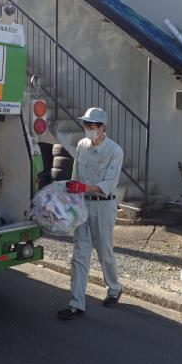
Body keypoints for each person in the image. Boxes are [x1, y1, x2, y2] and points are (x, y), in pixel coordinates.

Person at [57, 107, 124, 320]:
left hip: (104, 205)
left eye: (92, 126)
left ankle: (114, 288)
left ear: (103, 127)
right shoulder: (82, 145)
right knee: (79, 254)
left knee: (104, 251)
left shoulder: (115, 151)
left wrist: (82, 188)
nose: (88, 129)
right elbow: (76, 175)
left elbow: (109, 184)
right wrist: (72, 196)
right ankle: (76, 303)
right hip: (83, 204)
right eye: (86, 125)